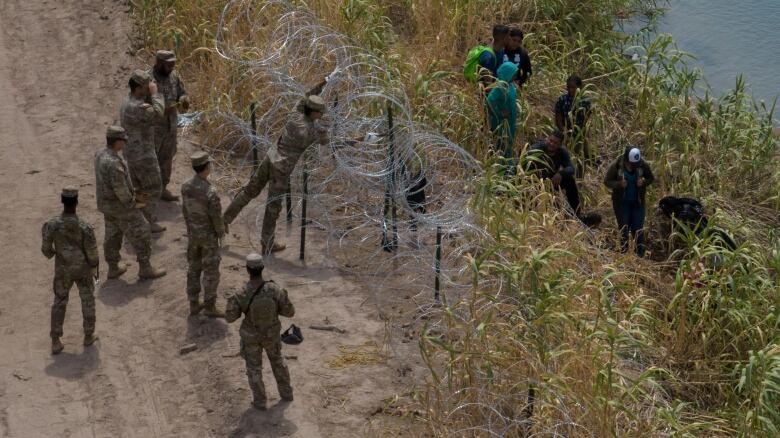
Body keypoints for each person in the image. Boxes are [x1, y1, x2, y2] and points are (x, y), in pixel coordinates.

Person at [223, 82, 330, 254]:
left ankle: (225, 220)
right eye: (321, 112)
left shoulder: (296, 113)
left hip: (270, 158)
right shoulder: (310, 132)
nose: (322, 114)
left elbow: (307, 94)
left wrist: (324, 81)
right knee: (273, 206)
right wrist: (328, 133)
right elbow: (329, 144)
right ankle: (267, 243)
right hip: (281, 169)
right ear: (315, 112)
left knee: (249, 190)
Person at [95, 125, 166, 280]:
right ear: (118, 142)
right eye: (123, 141)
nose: (125, 144)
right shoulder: (114, 163)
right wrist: (136, 204)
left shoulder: (100, 154)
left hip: (106, 205)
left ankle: (113, 267)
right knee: (143, 230)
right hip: (120, 206)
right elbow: (122, 192)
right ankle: (145, 267)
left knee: (112, 234)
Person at [225, 253, 295, 411]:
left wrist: (231, 302)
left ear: (247, 270)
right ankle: (286, 394)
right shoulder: (274, 289)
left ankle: (260, 401)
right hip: (272, 335)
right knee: (278, 362)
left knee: (254, 369)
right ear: (262, 268)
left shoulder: (242, 293)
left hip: (251, 338)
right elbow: (290, 312)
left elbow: (229, 318)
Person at [42, 188, 100, 354]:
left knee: (60, 301)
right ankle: (88, 335)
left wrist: (57, 254)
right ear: (76, 202)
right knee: (87, 299)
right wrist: (96, 276)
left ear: (62, 201)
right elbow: (93, 256)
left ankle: (55, 340)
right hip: (82, 270)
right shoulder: (84, 226)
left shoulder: (52, 225)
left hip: (63, 270)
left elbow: (46, 250)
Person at [119, 69, 166, 233]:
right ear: (138, 88)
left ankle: (139, 219)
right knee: (154, 187)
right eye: (146, 87)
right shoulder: (138, 107)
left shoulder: (127, 100)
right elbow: (159, 113)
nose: (148, 89)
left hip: (131, 153)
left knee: (139, 189)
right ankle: (148, 220)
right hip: (143, 155)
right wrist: (156, 94)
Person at [181, 151, 225, 317]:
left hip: (193, 234)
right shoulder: (210, 191)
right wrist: (221, 234)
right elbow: (216, 217)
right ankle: (210, 306)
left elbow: (185, 210)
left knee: (193, 268)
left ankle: (193, 303)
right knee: (211, 271)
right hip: (208, 237)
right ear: (206, 167)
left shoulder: (185, 186)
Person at [149, 50, 189, 202]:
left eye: (173, 64)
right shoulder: (148, 80)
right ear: (158, 64)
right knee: (151, 160)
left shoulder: (174, 76)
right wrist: (161, 109)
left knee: (166, 159)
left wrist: (184, 100)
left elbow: (182, 93)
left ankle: (162, 188)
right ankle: (149, 191)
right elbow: (140, 104)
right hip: (153, 129)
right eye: (168, 65)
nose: (172, 67)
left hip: (170, 126)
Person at [604, 146, 655, 257]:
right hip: (622, 203)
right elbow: (607, 181)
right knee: (624, 229)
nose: (635, 166)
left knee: (638, 231)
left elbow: (651, 178)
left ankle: (640, 257)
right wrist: (618, 184)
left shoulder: (642, 164)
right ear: (627, 159)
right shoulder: (617, 165)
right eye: (632, 164)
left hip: (638, 203)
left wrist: (644, 182)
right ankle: (624, 255)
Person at [527, 131, 581, 215]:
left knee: (570, 180)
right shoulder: (538, 148)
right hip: (534, 181)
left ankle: (576, 213)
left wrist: (560, 174)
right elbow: (525, 161)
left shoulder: (562, 152)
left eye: (555, 143)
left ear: (560, 145)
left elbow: (571, 168)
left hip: (551, 181)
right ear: (547, 139)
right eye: (550, 140)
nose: (551, 144)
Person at [554, 75, 592, 177]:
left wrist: (581, 135)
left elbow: (587, 121)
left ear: (579, 87)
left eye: (573, 87)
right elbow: (558, 119)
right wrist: (565, 132)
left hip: (579, 135)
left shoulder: (586, 102)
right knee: (562, 157)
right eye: (568, 87)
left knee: (580, 158)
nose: (570, 90)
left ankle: (579, 180)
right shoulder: (562, 99)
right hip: (564, 133)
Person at [486, 61, 519, 169]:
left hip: (510, 122)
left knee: (508, 144)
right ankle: (501, 169)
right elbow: (489, 101)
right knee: (501, 145)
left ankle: (507, 168)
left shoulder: (510, 84)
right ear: (507, 73)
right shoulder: (501, 86)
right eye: (513, 73)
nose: (515, 75)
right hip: (501, 122)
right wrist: (498, 113)